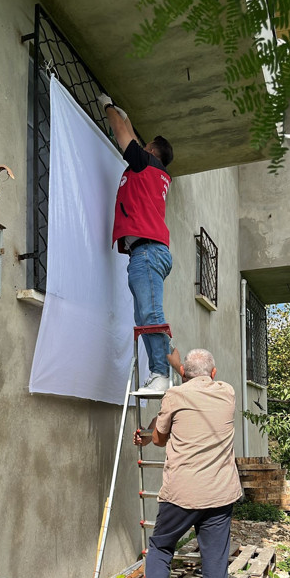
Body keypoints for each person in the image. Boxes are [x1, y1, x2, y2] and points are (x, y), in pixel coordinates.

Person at [114, 348, 243, 578]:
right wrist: (176, 360)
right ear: (213, 375)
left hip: (183, 495)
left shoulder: (174, 395)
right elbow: (197, 385)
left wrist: (149, 432)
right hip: (219, 495)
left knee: (160, 547)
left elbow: (159, 439)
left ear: (184, 375)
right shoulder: (227, 393)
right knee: (216, 574)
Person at [98, 93, 174, 395]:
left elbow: (122, 136)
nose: (140, 148)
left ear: (152, 150)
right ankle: (161, 370)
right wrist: (124, 113)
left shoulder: (145, 164)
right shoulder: (154, 172)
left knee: (151, 315)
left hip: (147, 252)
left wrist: (107, 107)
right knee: (145, 315)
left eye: (145, 146)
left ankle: (160, 373)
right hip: (149, 252)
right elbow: (129, 131)